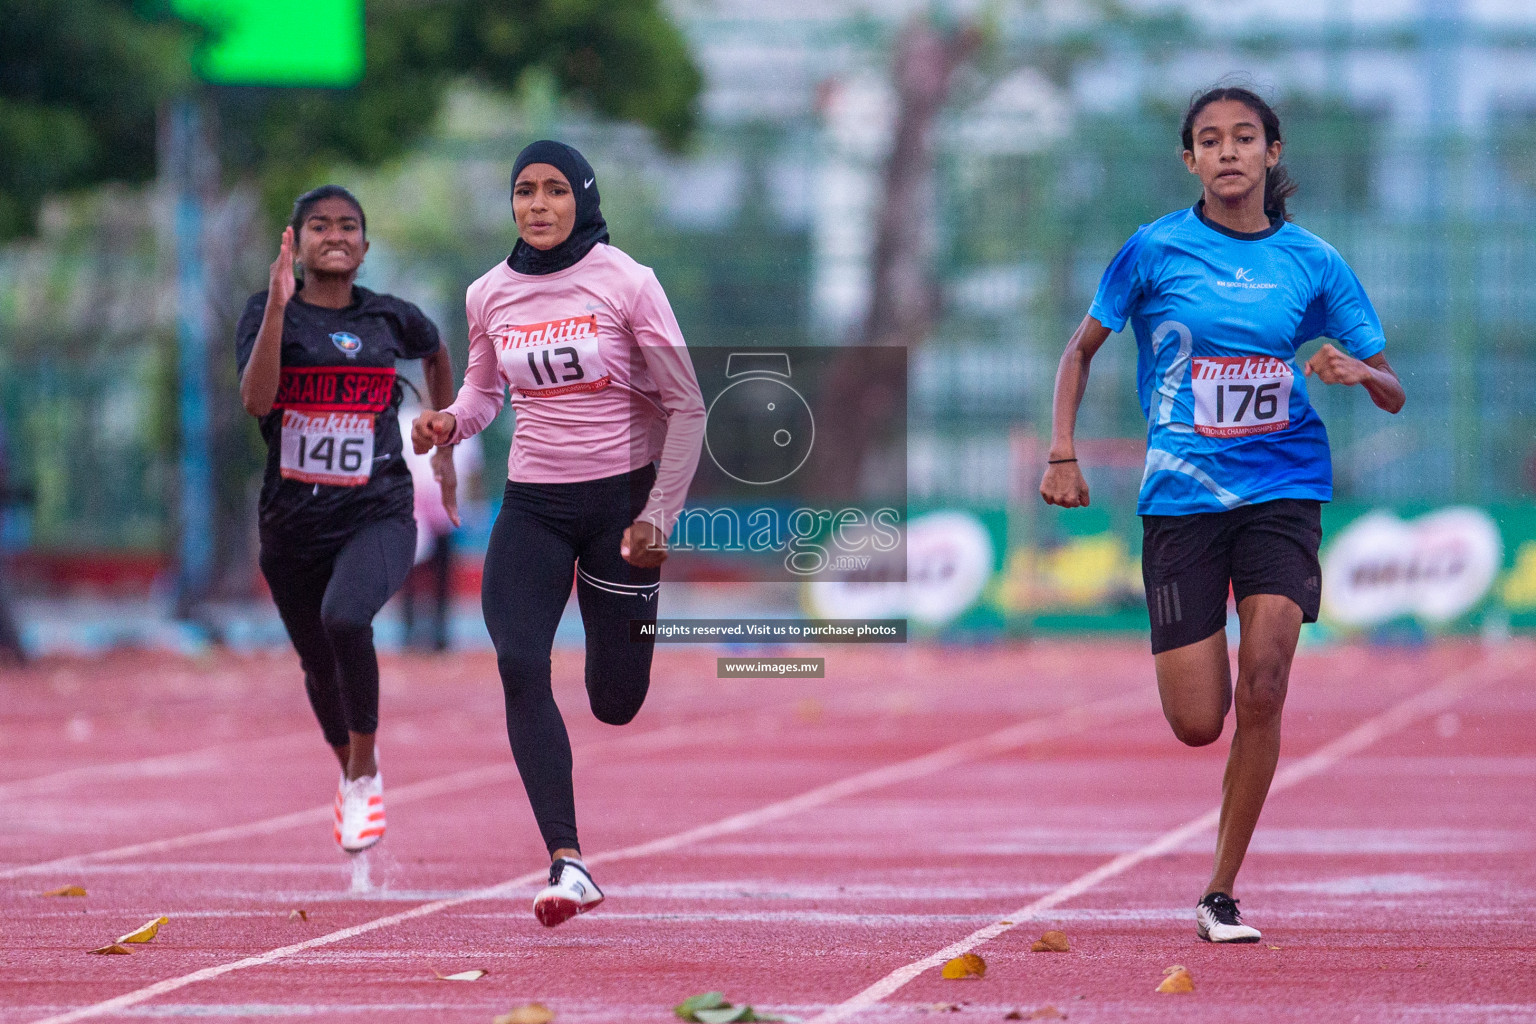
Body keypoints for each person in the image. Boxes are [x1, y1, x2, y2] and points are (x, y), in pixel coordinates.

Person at [1040, 86, 1405, 943]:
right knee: (1200, 721)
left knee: (1267, 677)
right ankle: (1212, 817)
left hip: (1284, 489)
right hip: (1182, 501)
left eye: (1246, 138)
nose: (1229, 152)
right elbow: (1079, 350)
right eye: (1211, 140)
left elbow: (1391, 387)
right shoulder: (1154, 250)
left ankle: (1220, 889)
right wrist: (1062, 451)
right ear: (1191, 160)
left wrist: (1359, 373)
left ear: (1273, 153)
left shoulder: (1315, 262)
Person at [413, 140, 705, 927]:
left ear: (583, 197)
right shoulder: (489, 295)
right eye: (522, 192)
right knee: (516, 659)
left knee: (614, 702)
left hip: (622, 510)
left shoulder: (628, 282)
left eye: (553, 191)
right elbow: (483, 394)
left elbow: (688, 406)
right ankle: (566, 860)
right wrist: (449, 421)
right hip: (534, 505)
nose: (537, 205)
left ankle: (629, 628)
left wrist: (657, 518)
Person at [237, 185, 458, 854]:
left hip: (378, 511)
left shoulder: (391, 319)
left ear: (365, 247)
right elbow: (256, 400)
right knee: (317, 663)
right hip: (291, 526)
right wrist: (278, 306)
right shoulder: (266, 311)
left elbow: (438, 354)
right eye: (319, 226)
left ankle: (364, 768)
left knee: (346, 618)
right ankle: (351, 770)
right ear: (297, 243)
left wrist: (442, 438)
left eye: (349, 227)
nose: (335, 235)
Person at [399, 400, 482, 651]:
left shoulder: (461, 426)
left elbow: (473, 471)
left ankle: (441, 633)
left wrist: (473, 507)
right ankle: (410, 632)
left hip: (446, 515)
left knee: (443, 576)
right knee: (410, 574)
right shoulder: (406, 423)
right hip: (414, 514)